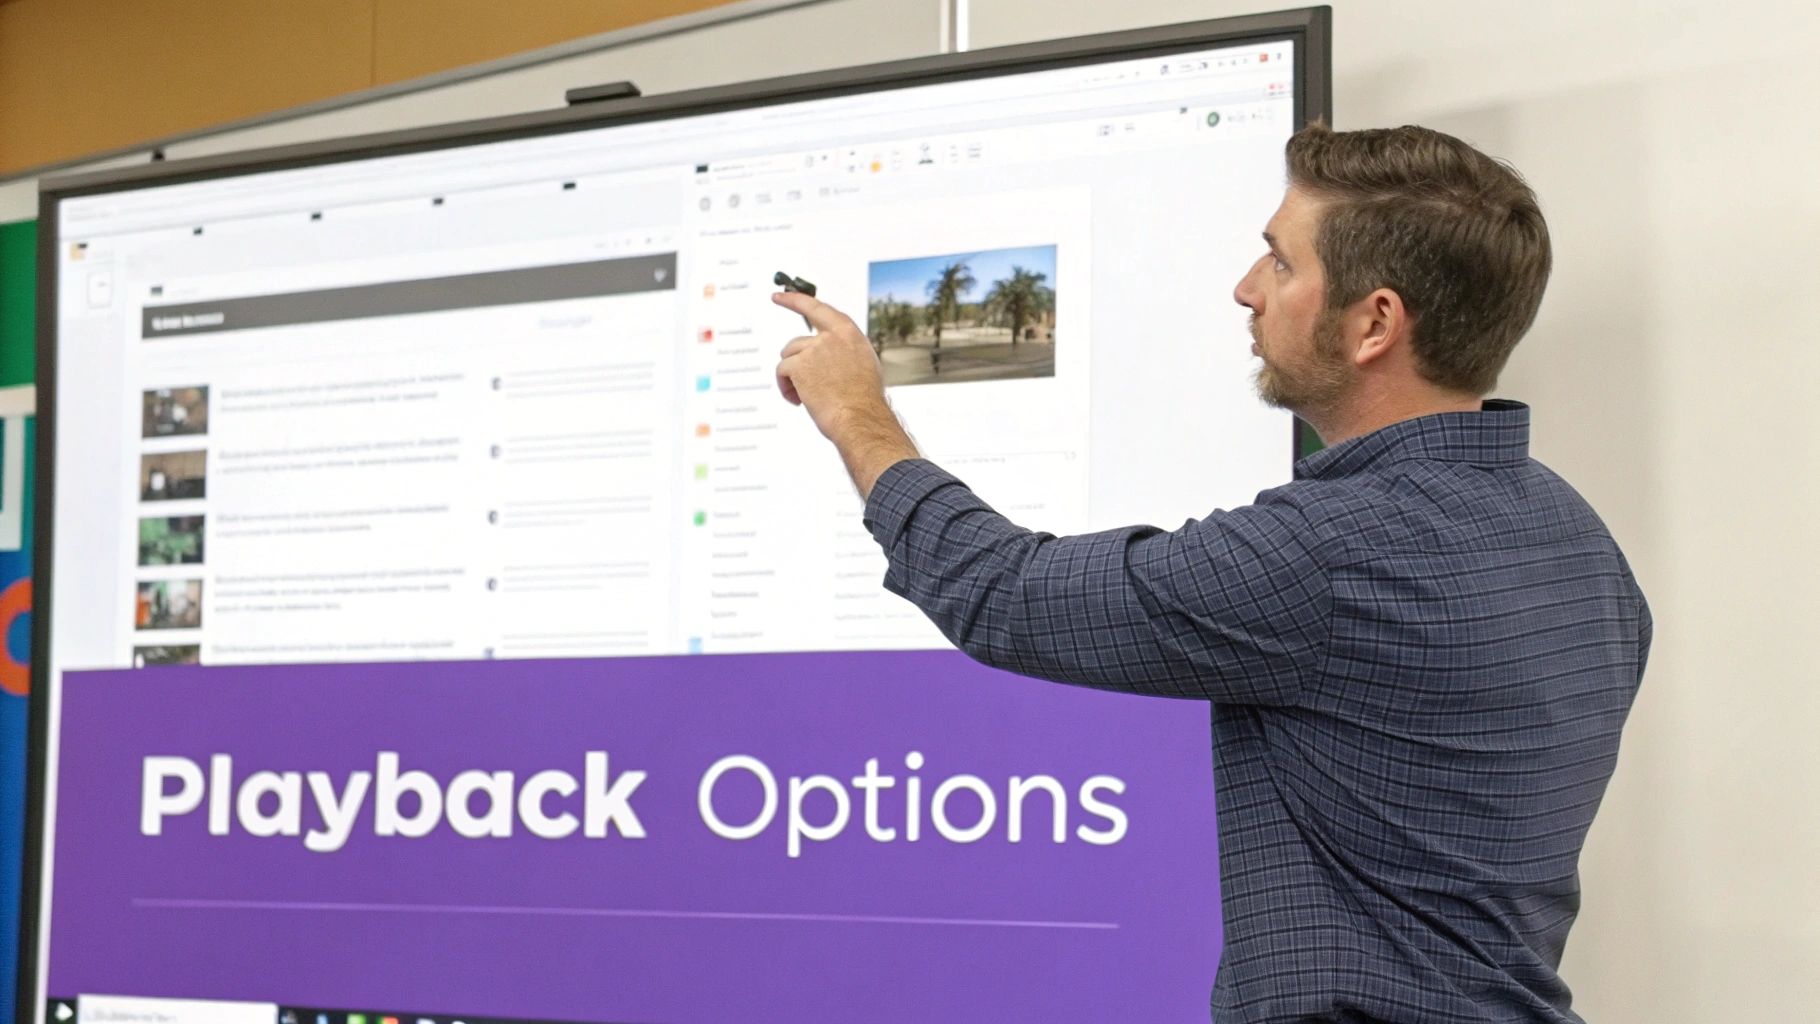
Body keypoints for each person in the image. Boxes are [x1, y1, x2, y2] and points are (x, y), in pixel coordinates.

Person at [772, 122, 1651, 1023]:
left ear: (1374, 322)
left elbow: (1001, 594)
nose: (1246, 289)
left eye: (1279, 263)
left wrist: (857, 413)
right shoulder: (1579, 540)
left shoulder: (1330, 555)